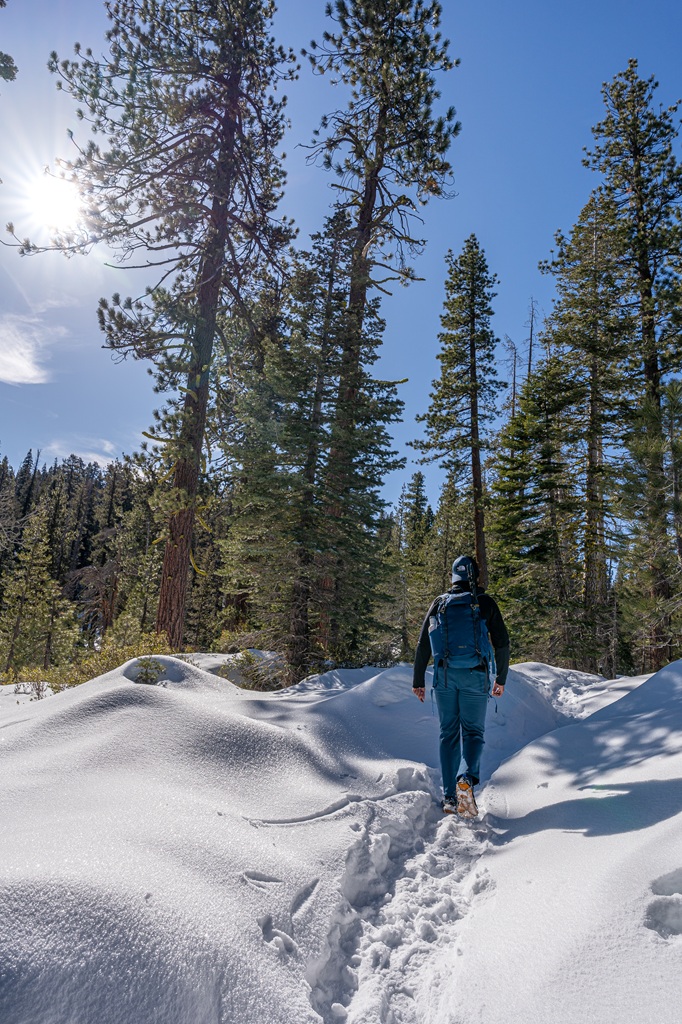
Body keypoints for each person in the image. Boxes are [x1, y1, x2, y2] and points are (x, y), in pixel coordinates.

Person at [413, 555, 510, 817]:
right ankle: (465, 779)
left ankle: (448, 797)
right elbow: (502, 642)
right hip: (475, 676)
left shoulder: (440, 603)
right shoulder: (485, 603)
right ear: (475, 576)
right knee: (473, 733)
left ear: (453, 577)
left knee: (448, 734)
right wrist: (501, 678)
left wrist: (418, 680)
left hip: (444, 677)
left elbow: (423, 644)